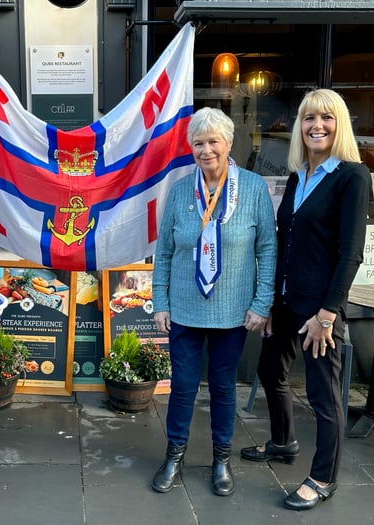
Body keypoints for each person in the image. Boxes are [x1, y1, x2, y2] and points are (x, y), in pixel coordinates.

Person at [240, 89, 371, 511]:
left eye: (327, 118)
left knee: (323, 394)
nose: (317, 125)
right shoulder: (298, 176)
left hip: (320, 309)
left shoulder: (352, 175)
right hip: (288, 301)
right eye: (309, 117)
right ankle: (283, 442)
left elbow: (351, 253)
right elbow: (286, 241)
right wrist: (275, 303)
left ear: (340, 124)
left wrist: (328, 314)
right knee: (269, 369)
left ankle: (323, 477)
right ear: (299, 125)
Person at [151, 107, 277, 496]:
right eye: (198, 143)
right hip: (186, 308)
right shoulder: (179, 191)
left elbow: (268, 249)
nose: (206, 150)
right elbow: (165, 252)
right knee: (184, 386)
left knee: (224, 387)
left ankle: (221, 459)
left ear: (229, 143)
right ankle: (174, 454)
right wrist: (160, 301)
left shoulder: (254, 189)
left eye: (213, 142)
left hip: (233, 312)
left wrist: (262, 302)